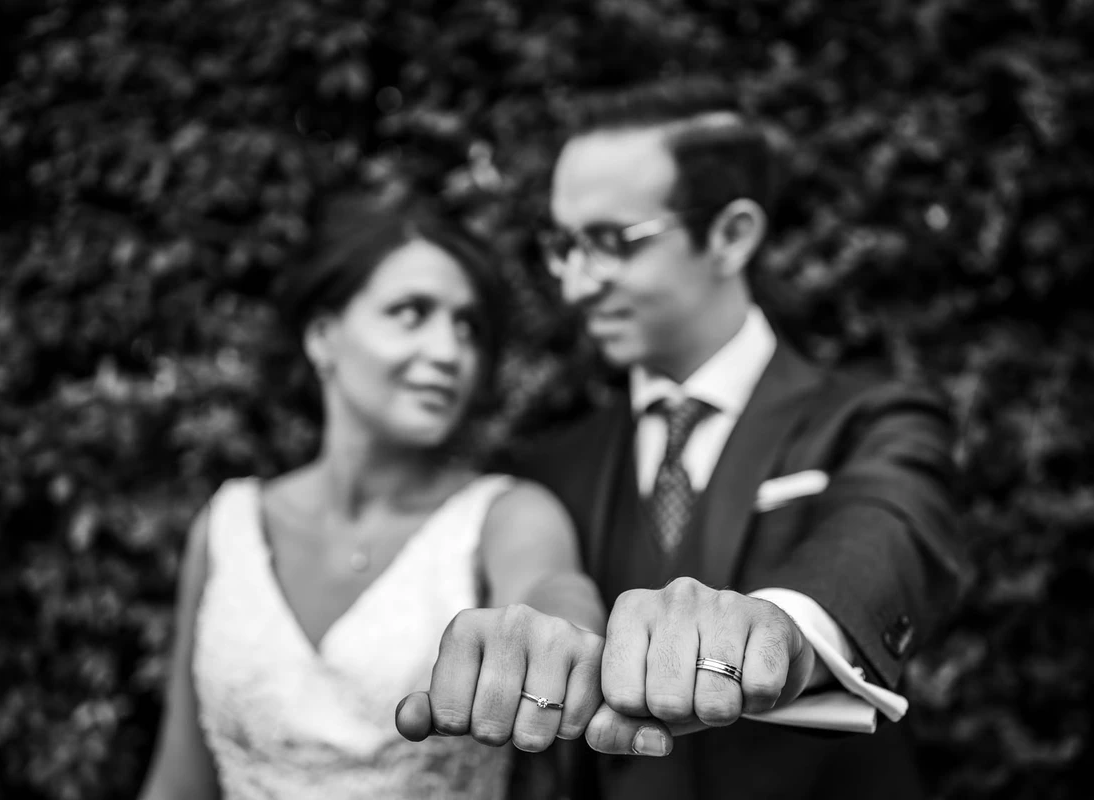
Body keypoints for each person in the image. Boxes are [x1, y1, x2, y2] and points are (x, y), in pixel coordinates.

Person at [397, 77, 969, 799]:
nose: (576, 286)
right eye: (564, 246)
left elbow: (889, 531)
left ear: (731, 236)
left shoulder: (873, 416)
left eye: (610, 242)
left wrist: (783, 631)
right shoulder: (548, 465)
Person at [136, 188, 606, 800]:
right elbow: (178, 781)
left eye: (468, 327)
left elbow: (550, 591)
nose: (449, 352)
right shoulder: (228, 527)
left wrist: (557, 631)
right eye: (411, 313)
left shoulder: (507, 516)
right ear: (322, 336)